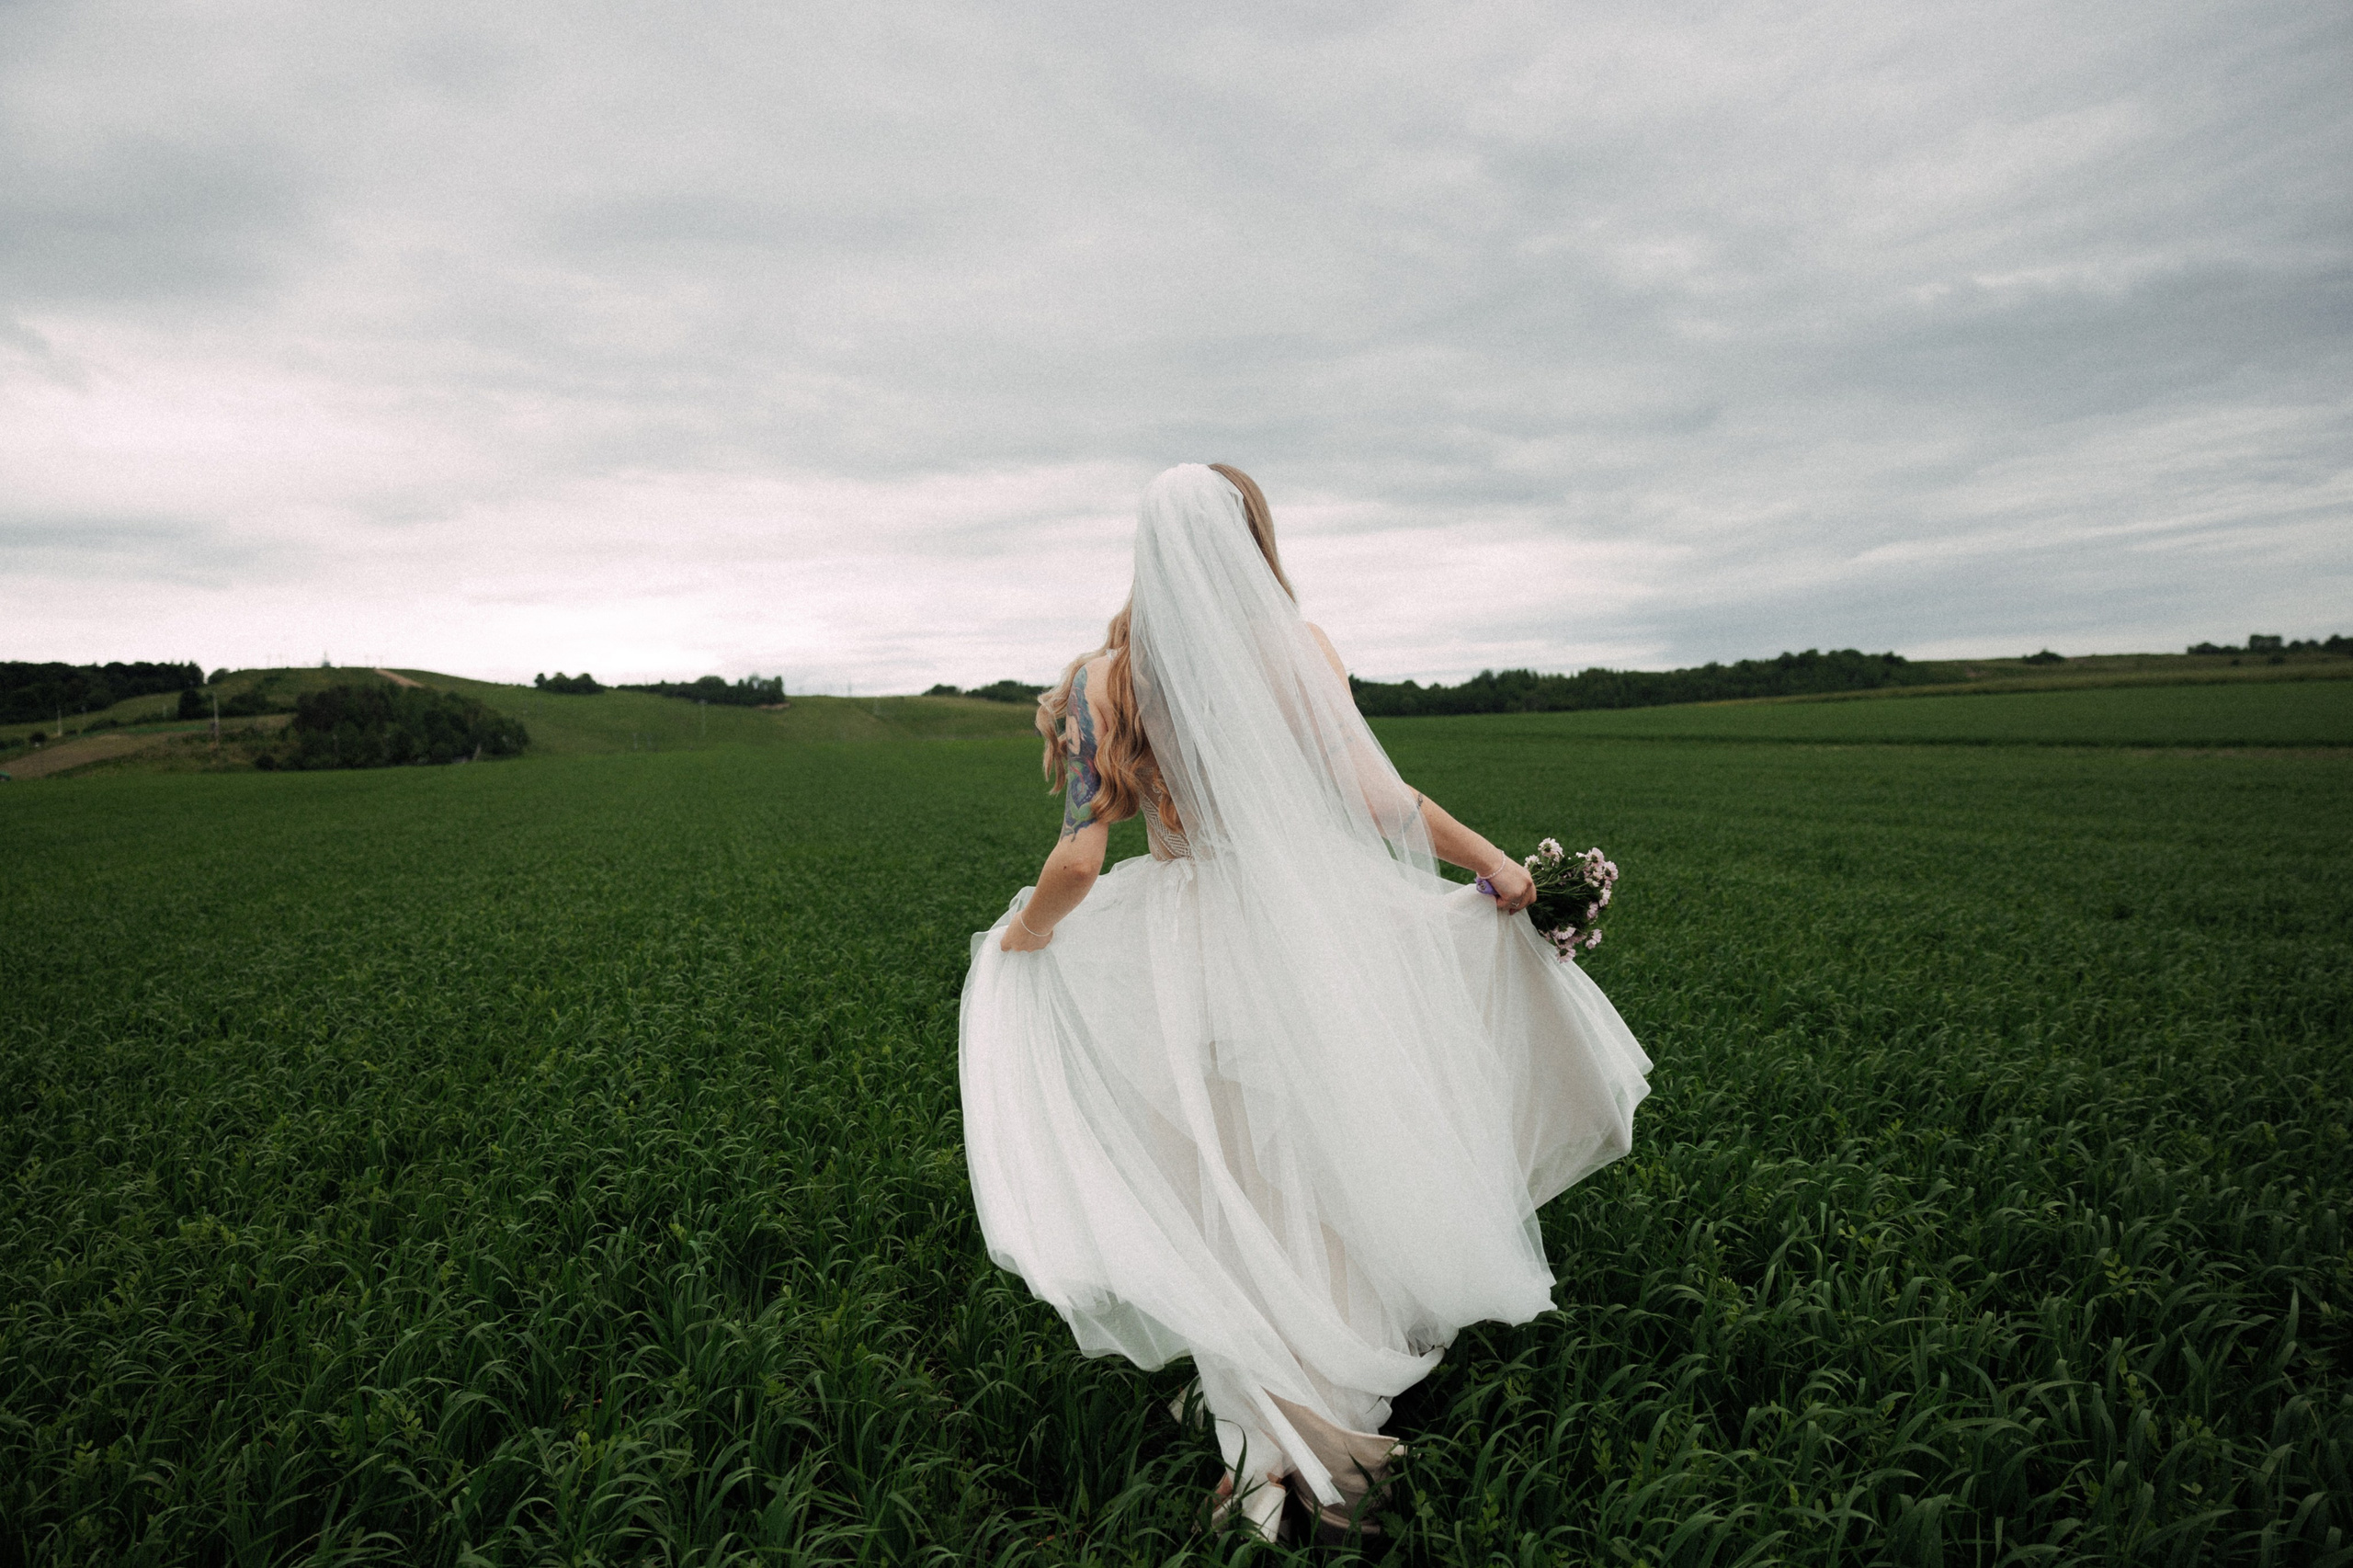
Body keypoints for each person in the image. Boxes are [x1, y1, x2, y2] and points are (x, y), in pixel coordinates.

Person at [959, 463, 1651, 1541]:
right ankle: (1316, 1416)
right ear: (1253, 540)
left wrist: (1021, 939)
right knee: (1317, 1170)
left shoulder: (1108, 678)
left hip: (1176, 948)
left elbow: (1080, 861)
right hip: (1304, 935)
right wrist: (1497, 864)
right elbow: (1381, 798)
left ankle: (1266, 1432)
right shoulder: (1303, 651)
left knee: (1226, 1183)